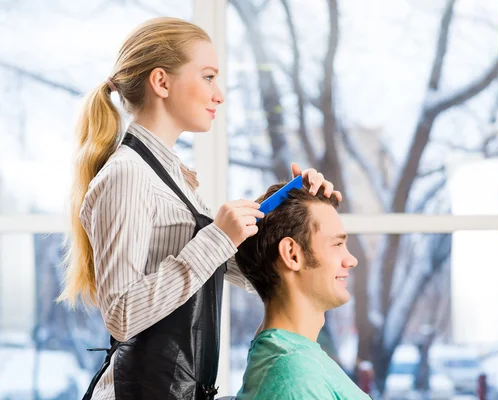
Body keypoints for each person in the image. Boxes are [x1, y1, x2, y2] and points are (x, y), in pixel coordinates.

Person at [57, 17, 340, 400]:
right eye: (208, 77)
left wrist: (290, 209)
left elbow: (224, 268)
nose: (219, 94)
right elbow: (121, 315)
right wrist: (218, 237)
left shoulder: (172, 176)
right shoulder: (127, 176)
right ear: (161, 82)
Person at [234, 182, 370, 399]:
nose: (351, 260)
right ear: (292, 254)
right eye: (337, 244)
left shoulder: (291, 355)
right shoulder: (292, 374)